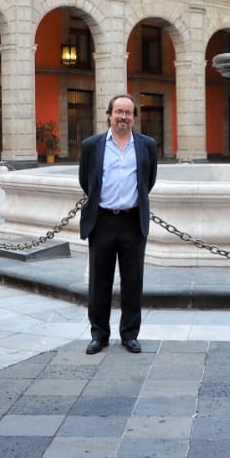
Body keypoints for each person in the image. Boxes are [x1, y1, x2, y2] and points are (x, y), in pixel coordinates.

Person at [78, 93, 159, 355]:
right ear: (109, 115)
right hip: (101, 220)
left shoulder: (147, 145)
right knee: (99, 282)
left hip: (133, 221)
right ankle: (99, 335)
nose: (123, 117)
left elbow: (149, 180)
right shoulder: (92, 145)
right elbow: (86, 180)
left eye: (128, 112)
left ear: (134, 117)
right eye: (118, 112)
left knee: (132, 281)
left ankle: (129, 334)